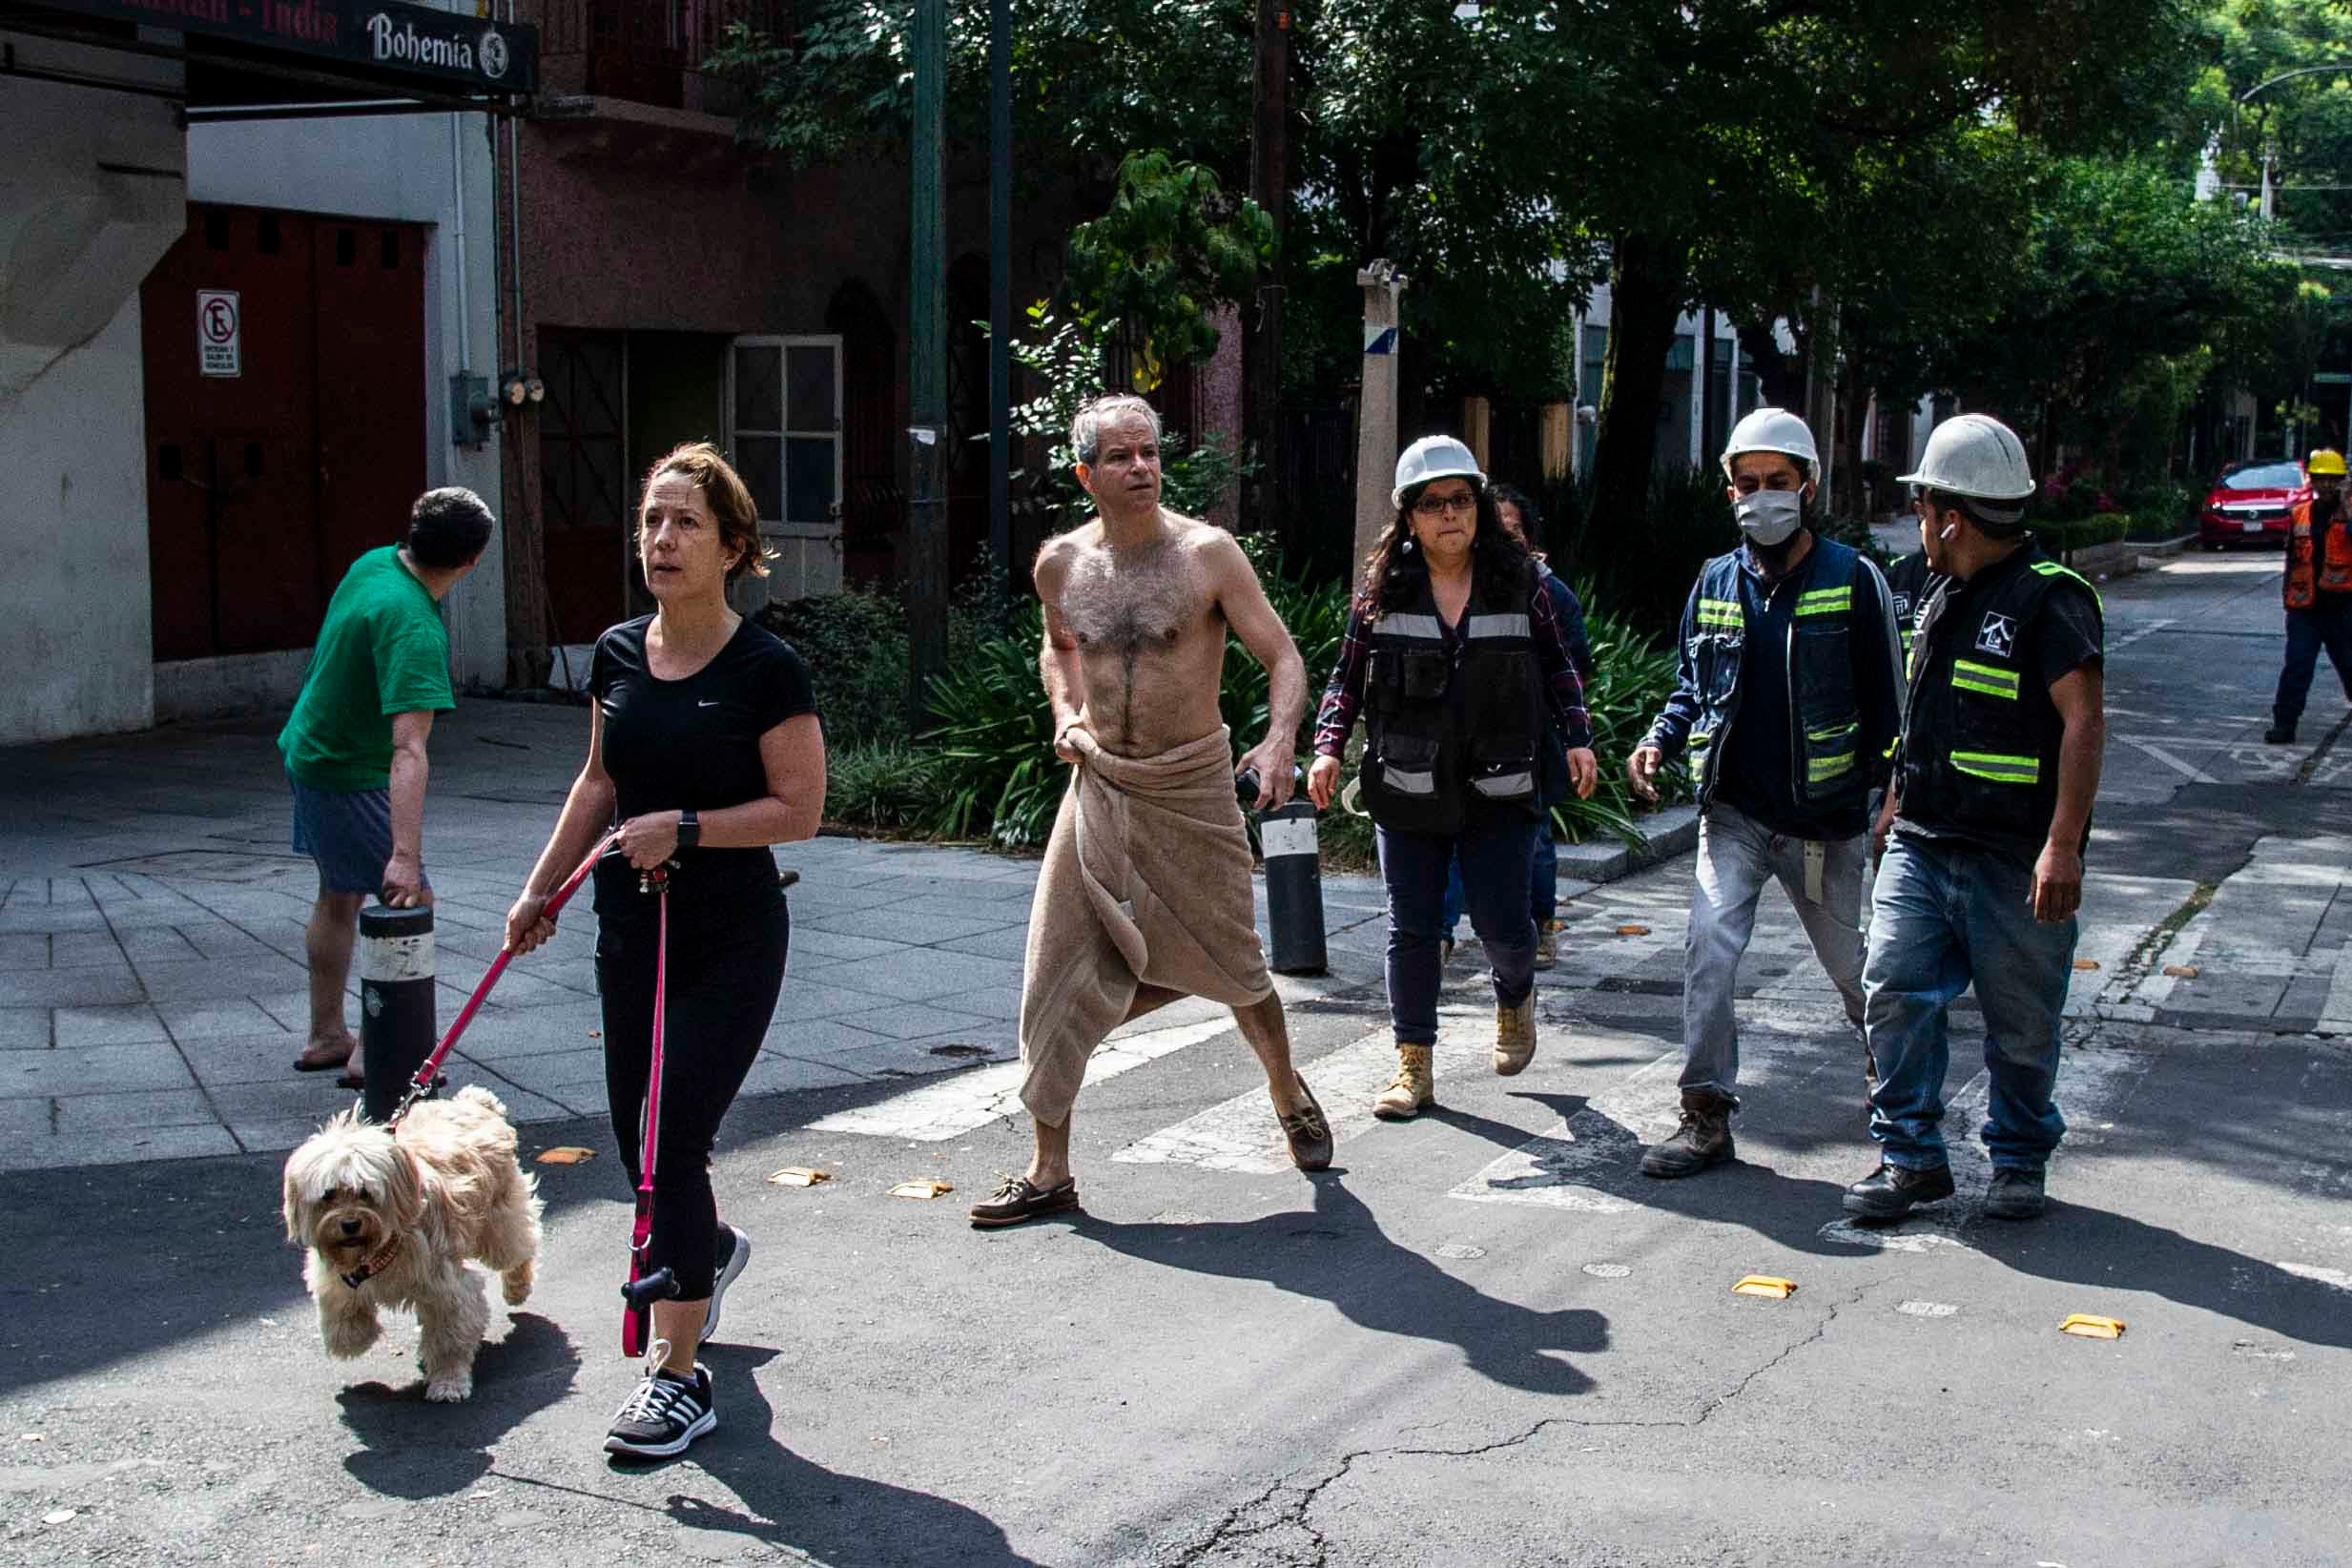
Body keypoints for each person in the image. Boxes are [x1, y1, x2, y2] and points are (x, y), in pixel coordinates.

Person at [504, 442, 825, 1457]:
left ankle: (678, 1377)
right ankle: (709, 1249)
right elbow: (600, 782)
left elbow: (800, 810)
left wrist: (684, 828)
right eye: (651, 519)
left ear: (734, 546)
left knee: (667, 1140)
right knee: (636, 1135)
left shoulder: (767, 669)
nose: (662, 539)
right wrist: (541, 887)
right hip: (627, 927)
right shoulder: (613, 652)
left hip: (729, 934)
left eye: (686, 522)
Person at [967, 394, 1332, 1229]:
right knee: (1052, 972)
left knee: (1236, 965)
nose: (1141, 468)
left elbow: (1282, 656)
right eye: (1122, 456)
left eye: (1151, 453)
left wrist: (1280, 744)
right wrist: (1064, 713)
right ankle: (1050, 1169)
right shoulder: (1060, 564)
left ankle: (1285, 1088)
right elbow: (1059, 646)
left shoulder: (1207, 555)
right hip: (1099, 782)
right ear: (1085, 473)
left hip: (1192, 784)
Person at [1627, 408, 1903, 1179]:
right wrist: (1657, 740)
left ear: (1806, 487)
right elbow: (1691, 687)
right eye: (1747, 484)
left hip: (1826, 824)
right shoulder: (1714, 581)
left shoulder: (1854, 579)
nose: (1762, 497)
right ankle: (1705, 1115)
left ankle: (1902, 1109)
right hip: (1736, 817)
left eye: (1777, 482)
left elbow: (1891, 708)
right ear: (1730, 493)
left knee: (1858, 973)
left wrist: (1894, 796)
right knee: (1709, 953)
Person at [1846, 414, 2104, 1223]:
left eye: (1922, 507)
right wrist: (1894, 799)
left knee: (2021, 1026)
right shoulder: (1936, 589)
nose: (1917, 521)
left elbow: (2084, 722)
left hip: (2015, 857)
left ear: (1951, 517)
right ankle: (1912, 1158)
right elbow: (1925, 710)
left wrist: (2062, 845)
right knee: (1893, 989)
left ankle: (2021, 1157)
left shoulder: (2050, 602)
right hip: (1924, 843)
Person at [1307, 437, 1599, 1122]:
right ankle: (1413, 1066)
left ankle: (1514, 993)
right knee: (1412, 928)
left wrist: (1579, 739)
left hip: (1501, 786)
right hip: (1408, 787)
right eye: (1432, 504)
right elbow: (1345, 682)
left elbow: (1561, 668)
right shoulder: (1381, 593)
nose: (1449, 515)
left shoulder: (1522, 582)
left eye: (1460, 501)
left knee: (1502, 923)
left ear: (1480, 508)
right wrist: (1326, 749)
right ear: (1409, 516)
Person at [279, 487, 493, 1089]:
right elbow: (410, 749)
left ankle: (327, 1035)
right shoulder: (415, 628)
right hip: (347, 768)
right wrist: (402, 857)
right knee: (409, 899)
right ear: (472, 562)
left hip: (310, 749)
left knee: (339, 894)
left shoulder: (374, 564)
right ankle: (381, 1053)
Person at [1436, 483, 1591, 972]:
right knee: (1450, 837)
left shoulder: (1549, 592)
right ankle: (1439, 935)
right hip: (1465, 742)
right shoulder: (1455, 587)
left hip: (1533, 738)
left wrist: (1570, 734)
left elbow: (1574, 667)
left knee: (1534, 839)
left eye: (1513, 531)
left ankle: (1537, 925)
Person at [2265, 447, 2352, 745]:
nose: (2326, 485)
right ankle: (2284, 725)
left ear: (2343, 481)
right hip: (2306, 609)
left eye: (2333, 480)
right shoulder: (2300, 513)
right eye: (2320, 479)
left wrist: (2348, 508)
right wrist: (2288, 595)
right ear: (2311, 481)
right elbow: (2292, 558)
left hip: (2343, 609)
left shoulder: (2350, 513)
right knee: (2297, 666)